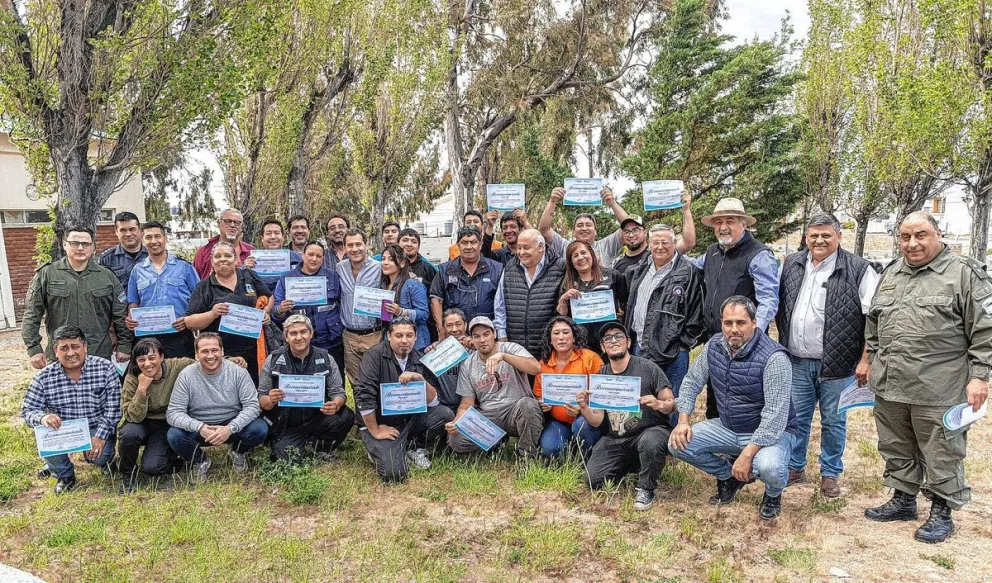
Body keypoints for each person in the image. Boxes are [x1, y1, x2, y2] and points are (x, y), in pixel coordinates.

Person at [861, 212, 992, 544]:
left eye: (920, 235)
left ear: (939, 234)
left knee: (942, 450)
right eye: (905, 237)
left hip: (940, 387)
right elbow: (874, 323)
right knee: (895, 444)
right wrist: (871, 358)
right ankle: (903, 500)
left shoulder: (964, 274)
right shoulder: (891, 272)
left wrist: (980, 375)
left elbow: (985, 330)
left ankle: (941, 511)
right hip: (892, 384)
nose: (912, 243)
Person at [776, 213, 881, 498]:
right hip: (796, 359)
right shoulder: (792, 265)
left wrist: (865, 359)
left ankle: (830, 472)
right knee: (797, 418)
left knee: (834, 421)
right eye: (814, 235)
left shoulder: (859, 269)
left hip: (839, 364)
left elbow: (873, 317)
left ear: (838, 237)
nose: (819, 240)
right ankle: (795, 467)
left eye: (826, 235)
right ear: (806, 237)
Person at [669, 296, 797, 521]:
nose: (734, 329)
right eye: (728, 323)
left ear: (754, 323)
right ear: (721, 324)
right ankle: (729, 477)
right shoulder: (713, 346)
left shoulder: (775, 358)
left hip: (772, 433)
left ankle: (773, 495)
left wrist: (747, 455)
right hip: (729, 426)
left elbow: (774, 417)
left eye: (741, 322)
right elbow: (691, 382)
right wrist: (682, 421)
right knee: (677, 444)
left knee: (769, 467)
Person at [688, 198, 779, 419]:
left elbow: (769, 298)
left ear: (744, 225)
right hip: (715, 338)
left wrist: (754, 332)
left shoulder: (758, 254)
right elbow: (690, 264)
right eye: (718, 222)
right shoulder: (712, 252)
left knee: (744, 398)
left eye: (730, 221)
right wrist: (664, 253)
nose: (723, 227)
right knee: (715, 394)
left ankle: (743, 449)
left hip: (744, 342)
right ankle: (718, 443)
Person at [580, 321, 675, 511]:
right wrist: (583, 406)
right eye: (608, 338)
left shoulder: (648, 368)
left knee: (651, 441)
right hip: (616, 437)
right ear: (602, 347)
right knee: (593, 480)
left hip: (649, 430)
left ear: (629, 342)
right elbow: (597, 420)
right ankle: (635, 464)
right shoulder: (601, 376)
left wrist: (658, 404)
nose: (613, 341)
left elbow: (672, 404)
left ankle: (646, 487)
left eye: (618, 336)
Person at [21, 325, 122, 494]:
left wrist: (101, 436)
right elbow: (28, 410)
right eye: (64, 348)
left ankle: (106, 460)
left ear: (85, 346)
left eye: (75, 347)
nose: (70, 353)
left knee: (99, 457)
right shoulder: (43, 377)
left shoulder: (105, 368)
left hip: (95, 427)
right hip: (63, 431)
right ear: (55, 350)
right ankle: (64, 475)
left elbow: (114, 408)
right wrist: (43, 418)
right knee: (45, 432)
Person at [353, 317, 454, 482]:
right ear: (389, 336)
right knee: (394, 474)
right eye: (399, 335)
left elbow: (435, 402)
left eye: (409, 335)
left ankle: (414, 447)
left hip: (410, 420)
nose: (404, 340)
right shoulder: (374, 356)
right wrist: (375, 429)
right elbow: (364, 395)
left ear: (415, 337)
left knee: (445, 414)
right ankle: (378, 449)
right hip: (382, 422)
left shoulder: (421, 359)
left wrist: (421, 380)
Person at [625, 224, 705, 419]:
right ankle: (648, 442)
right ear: (649, 244)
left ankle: (673, 444)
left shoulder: (688, 272)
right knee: (643, 400)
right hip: (640, 347)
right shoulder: (640, 268)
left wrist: (683, 345)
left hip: (673, 353)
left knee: (673, 402)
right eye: (655, 242)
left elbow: (697, 311)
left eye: (665, 242)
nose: (660, 247)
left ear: (674, 243)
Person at [23, 225, 131, 368]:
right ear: (64, 244)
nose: (80, 248)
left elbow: (121, 313)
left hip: (98, 354)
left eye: (85, 244)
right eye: (75, 243)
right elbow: (32, 313)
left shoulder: (107, 276)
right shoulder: (47, 274)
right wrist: (34, 348)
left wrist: (124, 345)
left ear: (92, 247)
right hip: (60, 356)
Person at [166, 333, 267, 482]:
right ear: (196, 354)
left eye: (214, 350)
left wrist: (230, 428)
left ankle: (238, 451)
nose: (210, 355)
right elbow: (173, 413)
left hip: (231, 423)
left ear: (222, 351)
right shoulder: (186, 375)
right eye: (204, 351)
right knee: (174, 435)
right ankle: (200, 461)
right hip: (200, 426)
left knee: (260, 429)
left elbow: (252, 406)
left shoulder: (238, 372)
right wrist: (200, 427)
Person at [258, 315, 355, 463]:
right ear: (286, 337)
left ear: (311, 334)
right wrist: (270, 399)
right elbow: (262, 399)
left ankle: (320, 448)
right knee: (288, 460)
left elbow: (338, 392)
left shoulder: (326, 358)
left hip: (318, 417)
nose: (299, 337)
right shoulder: (273, 360)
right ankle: (288, 442)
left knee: (346, 416)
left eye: (303, 332)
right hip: (288, 424)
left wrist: (336, 404)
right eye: (293, 333)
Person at [447, 316, 543, 456]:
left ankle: (526, 454)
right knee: (456, 440)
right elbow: (466, 404)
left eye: (486, 334)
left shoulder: (510, 348)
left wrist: (503, 356)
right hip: (489, 415)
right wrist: (457, 422)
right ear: (472, 340)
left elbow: (535, 368)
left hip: (515, 411)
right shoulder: (468, 364)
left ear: (495, 334)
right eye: (477, 336)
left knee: (529, 405)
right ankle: (496, 441)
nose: (482, 340)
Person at [184, 241, 272, 385]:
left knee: (254, 391)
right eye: (217, 256)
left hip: (255, 350)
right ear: (212, 261)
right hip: (222, 354)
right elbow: (190, 322)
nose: (223, 259)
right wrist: (212, 314)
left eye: (227, 255)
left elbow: (269, 297)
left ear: (236, 259)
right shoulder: (203, 287)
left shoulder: (248, 275)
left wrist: (265, 313)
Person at [118, 338, 194, 493]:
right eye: (141, 360)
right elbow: (132, 416)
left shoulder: (177, 366)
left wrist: (232, 360)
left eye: (152, 358)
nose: (147, 364)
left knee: (153, 467)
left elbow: (204, 362)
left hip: (165, 424)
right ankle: (128, 475)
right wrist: (142, 390)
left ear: (162, 356)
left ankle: (173, 459)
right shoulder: (132, 377)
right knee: (128, 433)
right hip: (141, 422)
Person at [125, 221, 200, 359]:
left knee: (180, 375)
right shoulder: (137, 270)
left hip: (180, 336)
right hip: (148, 337)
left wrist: (188, 318)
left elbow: (199, 299)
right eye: (148, 237)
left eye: (158, 236)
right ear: (142, 241)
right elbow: (133, 301)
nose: (154, 241)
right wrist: (131, 316)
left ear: (165, 238)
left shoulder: (184, 267)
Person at [532, 317, 603, 458]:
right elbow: (538, 395)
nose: (561, 338)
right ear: (550, 340)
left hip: (586, 419)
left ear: (574, 337)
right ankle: (570, 446)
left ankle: (589, 457)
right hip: (558, 421)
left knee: (582, 425)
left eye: (566, 332)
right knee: (549, 450)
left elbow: (603, 395)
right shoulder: (543, 364)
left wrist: (583, 408)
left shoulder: (591, 359)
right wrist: (542, 403)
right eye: (556, 333)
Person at [272, 241, 345, 377]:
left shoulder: (333, 276)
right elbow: (275, 311)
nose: (314, 259)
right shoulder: (287, 278)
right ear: (303, 255)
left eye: (318, 256)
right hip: (300, 342)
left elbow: (343, 302)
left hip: (331, 340)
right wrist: (281, 309)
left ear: (323, 259)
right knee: (304, 383)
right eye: (310, 254)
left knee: (335, 380)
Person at [493, 229, 566, 358]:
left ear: (541, 247)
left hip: (549, 349)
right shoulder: (510, 268)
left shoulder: (560, 267)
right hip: (515, 349)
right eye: (519, 248)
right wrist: (502, 335)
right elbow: (500, 304)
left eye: (526, 248)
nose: (521, 252)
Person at [430, 226, 503, 338]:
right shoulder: (445, 270)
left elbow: (503, 305)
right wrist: (441, 329)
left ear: (480, 244)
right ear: (458, 245)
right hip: (454, 336)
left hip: (486, 336)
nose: (469, 247)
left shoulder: (496, 269)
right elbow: (436, 300)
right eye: (464, 242)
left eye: (473, 242)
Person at [555, 240, 628, 349]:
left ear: (591, 254)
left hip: (610, 339)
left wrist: (621, 312)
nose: (580, 257)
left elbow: (626, 301)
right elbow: (562, 316)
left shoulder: (613, 275)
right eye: (575, 256)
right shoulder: (567, 282)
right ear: (571, 261)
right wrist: (563, 300)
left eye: (583, 253)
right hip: (581, 342)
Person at [538, 185, 629, 269]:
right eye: (580, 225)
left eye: (588, 225)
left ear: (596, 231)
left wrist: (613, 203)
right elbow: (544, 230)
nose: (584, 228)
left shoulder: (606, 246)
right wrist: (553, 201)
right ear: (573, 232)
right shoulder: (565, 246)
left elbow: (628, 226)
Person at [335, 229, 383, 383]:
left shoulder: (380, 268)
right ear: (345, 248)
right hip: (349, 336)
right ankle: (360, 408)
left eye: (358, 244)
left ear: (366, 245)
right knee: (355, 382)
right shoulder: (339, 268)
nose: (354, 249)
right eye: (350, 245)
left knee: (376, 379)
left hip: (374, 335)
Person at [612, 192, 696, 276]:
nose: (631, 235)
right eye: (626, 231)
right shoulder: (617, 264)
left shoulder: (658, 251)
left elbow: (688, 243)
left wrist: (686, 210)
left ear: (645, 232)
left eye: (635, 230)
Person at [380, 245, 431, 350]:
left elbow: (424, 314)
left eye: (391, 259)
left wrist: (401, 312)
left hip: (414, 344)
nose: (385, 263)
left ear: (402, 263)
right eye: (383, 259)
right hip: (391, 341)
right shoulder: (383, 284)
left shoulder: (412, 284)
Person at [425, 308, 475, 410]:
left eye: (458, 324)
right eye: (449, 325)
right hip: (444, 407)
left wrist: (476, 346)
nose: (454, 329)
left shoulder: (475, 348)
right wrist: (429, 356)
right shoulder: (436, 350)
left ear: (465, 325)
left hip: (473, 405)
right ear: (443, 327)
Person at [193, 209, 255, 279]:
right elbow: (195, 282)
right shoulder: (205, 251)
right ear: (218, 223)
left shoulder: (251, 251)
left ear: (242, 226)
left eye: (237, 222)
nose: (232, 225)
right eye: (228, 221)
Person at [243, 219, 302, 292]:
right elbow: (243, 286)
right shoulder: (252, 259)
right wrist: (245, 269)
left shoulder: (296, 258)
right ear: (262, 238)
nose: (273, 237)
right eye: (268, 233)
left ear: (283, 237)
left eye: (277, 233)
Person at [98, 211, 148, 290]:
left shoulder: (152, 255)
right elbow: (102, 289)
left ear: (140, 230)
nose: (128, 234)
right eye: (123, 230)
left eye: (132, 229)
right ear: (116, 231)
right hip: (120, 302)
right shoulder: (106, 259)